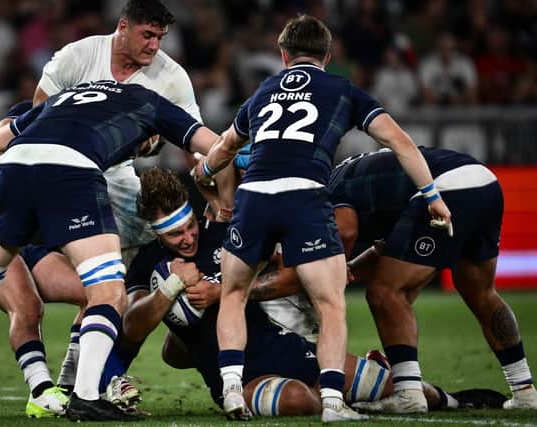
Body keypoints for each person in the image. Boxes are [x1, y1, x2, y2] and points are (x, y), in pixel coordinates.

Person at [0, 79, 220, 422]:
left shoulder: (64, 98)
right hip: (69, 171)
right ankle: (85, 396)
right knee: (109, 291)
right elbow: (217, 146)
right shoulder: (152, 104)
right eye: (147, 144)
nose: (142, 149)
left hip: (13, 169)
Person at [192, 15, 452, 422]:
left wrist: (205, 172)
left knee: (233, 294)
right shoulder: (342, 89)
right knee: (330, 304)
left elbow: (225, 146)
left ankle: (230, 389)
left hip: (255, 196)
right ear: (327, 56)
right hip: (305, 196)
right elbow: (398, 140)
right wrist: (432, 195)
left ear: (283, 55)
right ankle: (333, 403)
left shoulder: (263, 91)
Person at [119, 167, 503, 417]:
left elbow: (287, 268)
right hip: (241, 377)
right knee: (299, 400)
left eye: (189, 226)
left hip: (286, 345)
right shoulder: (145, 266)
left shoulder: (223, 233)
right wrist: (170, 287)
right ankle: (356, 404)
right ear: (155, 234)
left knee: (403, 389)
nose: (188, 238)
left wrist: (230, 290)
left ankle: (455, 398)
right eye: (175, 234)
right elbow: (134, 326)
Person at [326, 147, 537, 413]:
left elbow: (345, 230)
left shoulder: (327, 192)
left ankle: (408, 394)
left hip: (443, 188)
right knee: (482, 293)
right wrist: (350, 267)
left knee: (385, 293)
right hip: (483, 181)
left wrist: (330, 276)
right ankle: (524, 390)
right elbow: (385, 251)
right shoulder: (360, 177)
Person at [32, 0, 202, 260]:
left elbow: (194, 141)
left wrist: (215, 193)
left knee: (159, 229)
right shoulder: (79, 54)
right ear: (123, 27)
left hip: (117, 170)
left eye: (160, 37)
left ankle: (140, 289)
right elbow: (39, 109)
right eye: (147, 35)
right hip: (63, 166)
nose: (154, 46)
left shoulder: (172, 77)